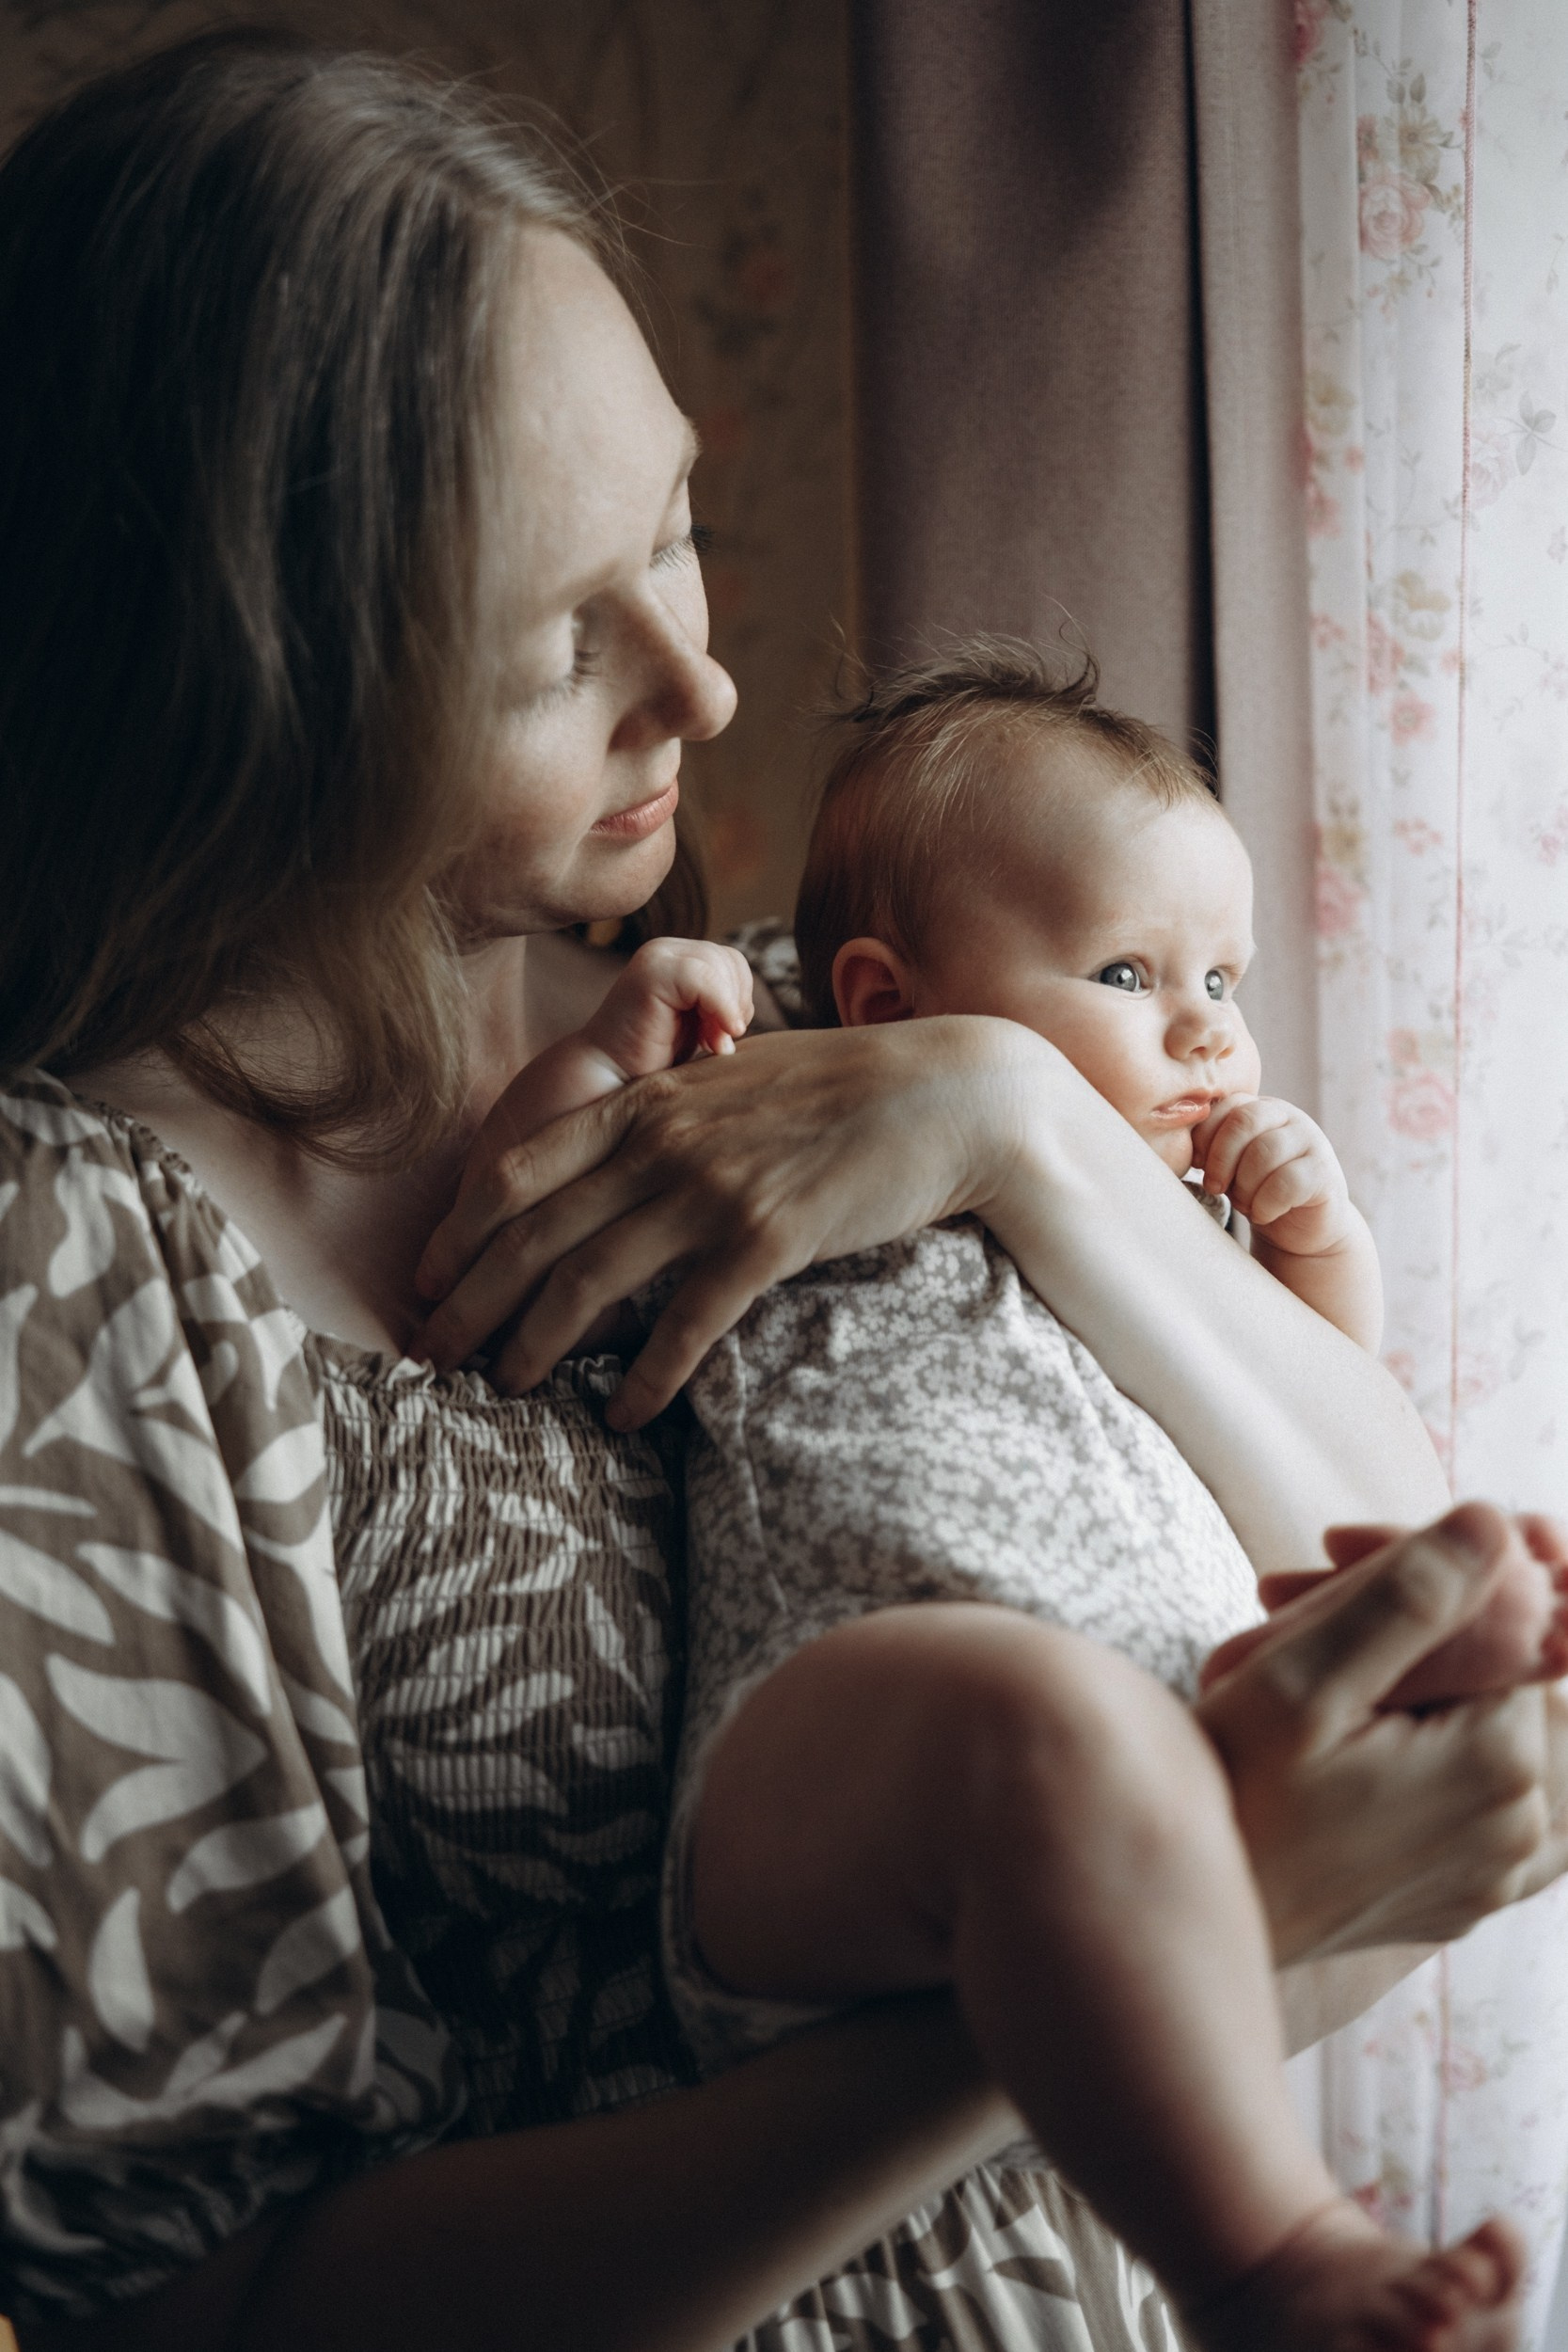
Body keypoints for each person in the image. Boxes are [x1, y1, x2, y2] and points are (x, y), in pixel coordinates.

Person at [0, 32, 1563, 2352]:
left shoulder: (755, 1041)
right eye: (565, 641)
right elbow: (201, 2309)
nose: (710, 682)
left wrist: (1007, 1123)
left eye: (674, 531)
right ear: (261, 684)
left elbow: (1332, 1536)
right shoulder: (76, 1275)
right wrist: (1194, 1904)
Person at [489, 655, 1568, 2347]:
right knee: (1045, 1729)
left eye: (1225, 976)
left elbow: (1315, 1407)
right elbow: (530, 1229)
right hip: (843, 1734)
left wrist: (1314, 1250)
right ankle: (1271, 2262)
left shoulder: (1169, 1216)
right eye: (1130, 972)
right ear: (882, 995)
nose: (1207, 1029)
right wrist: (611, 1068)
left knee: (1457, 1588)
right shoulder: (776, 1125)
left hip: (1146, 1727)